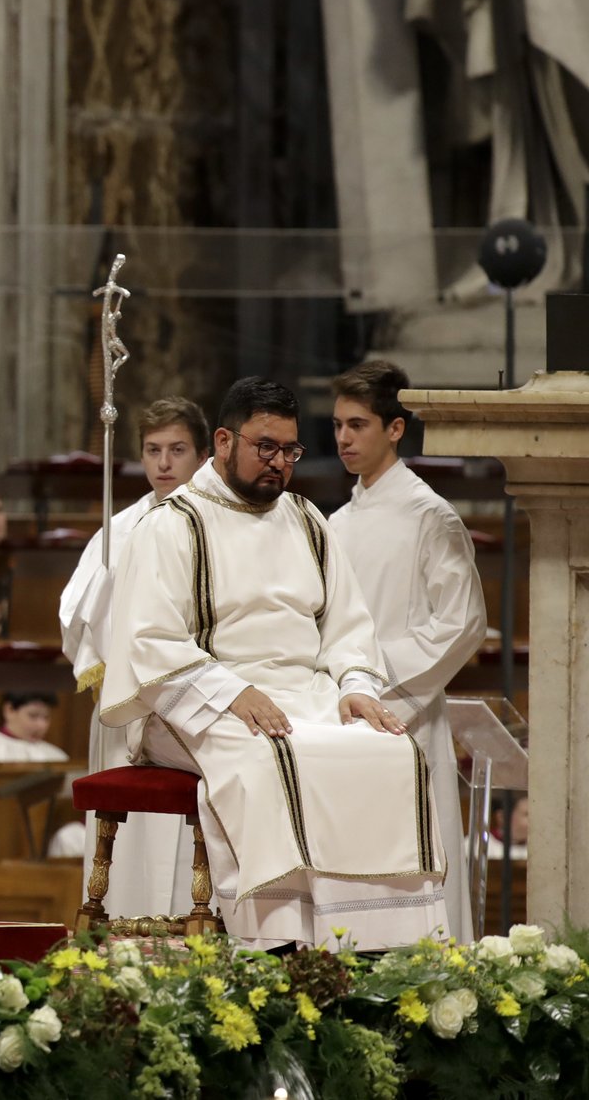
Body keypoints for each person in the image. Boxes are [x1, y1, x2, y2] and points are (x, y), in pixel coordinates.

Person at [101, 377, 446, 949]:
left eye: (290, 451)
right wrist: (231, 691)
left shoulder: (308, 522)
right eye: (266, 447)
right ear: (223, 442)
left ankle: (378, 944)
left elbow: (347, 626)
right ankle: (278, 943)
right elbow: (150, 640)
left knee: (387, 747)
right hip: (197, 704)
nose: (279, 464)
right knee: (269, 755)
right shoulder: (173, 524)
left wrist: (356, 685)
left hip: (304, 694)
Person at [328, 360, 486, 940]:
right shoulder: (336, 523)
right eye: (339, 424)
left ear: (395, 429)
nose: (343, 438)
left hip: (405, 715)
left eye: (358, 424)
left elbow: (464, 623)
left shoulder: (429, 515)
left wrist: (375, 677)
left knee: (414, 873)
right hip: (344, 715)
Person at [59, 396, 208, 917]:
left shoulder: (218, 524)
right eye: (152, 450)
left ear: (203, 453)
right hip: (129, 705)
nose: (164, 463)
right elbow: (75, 615)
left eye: (177, 449)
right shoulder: (118, 529)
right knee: (130, 845)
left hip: (198, 703)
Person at [0, 692, 68, 763]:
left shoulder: (56, 756)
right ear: (9, 710)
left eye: (46, 717)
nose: (41, 725)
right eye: (33, 715)